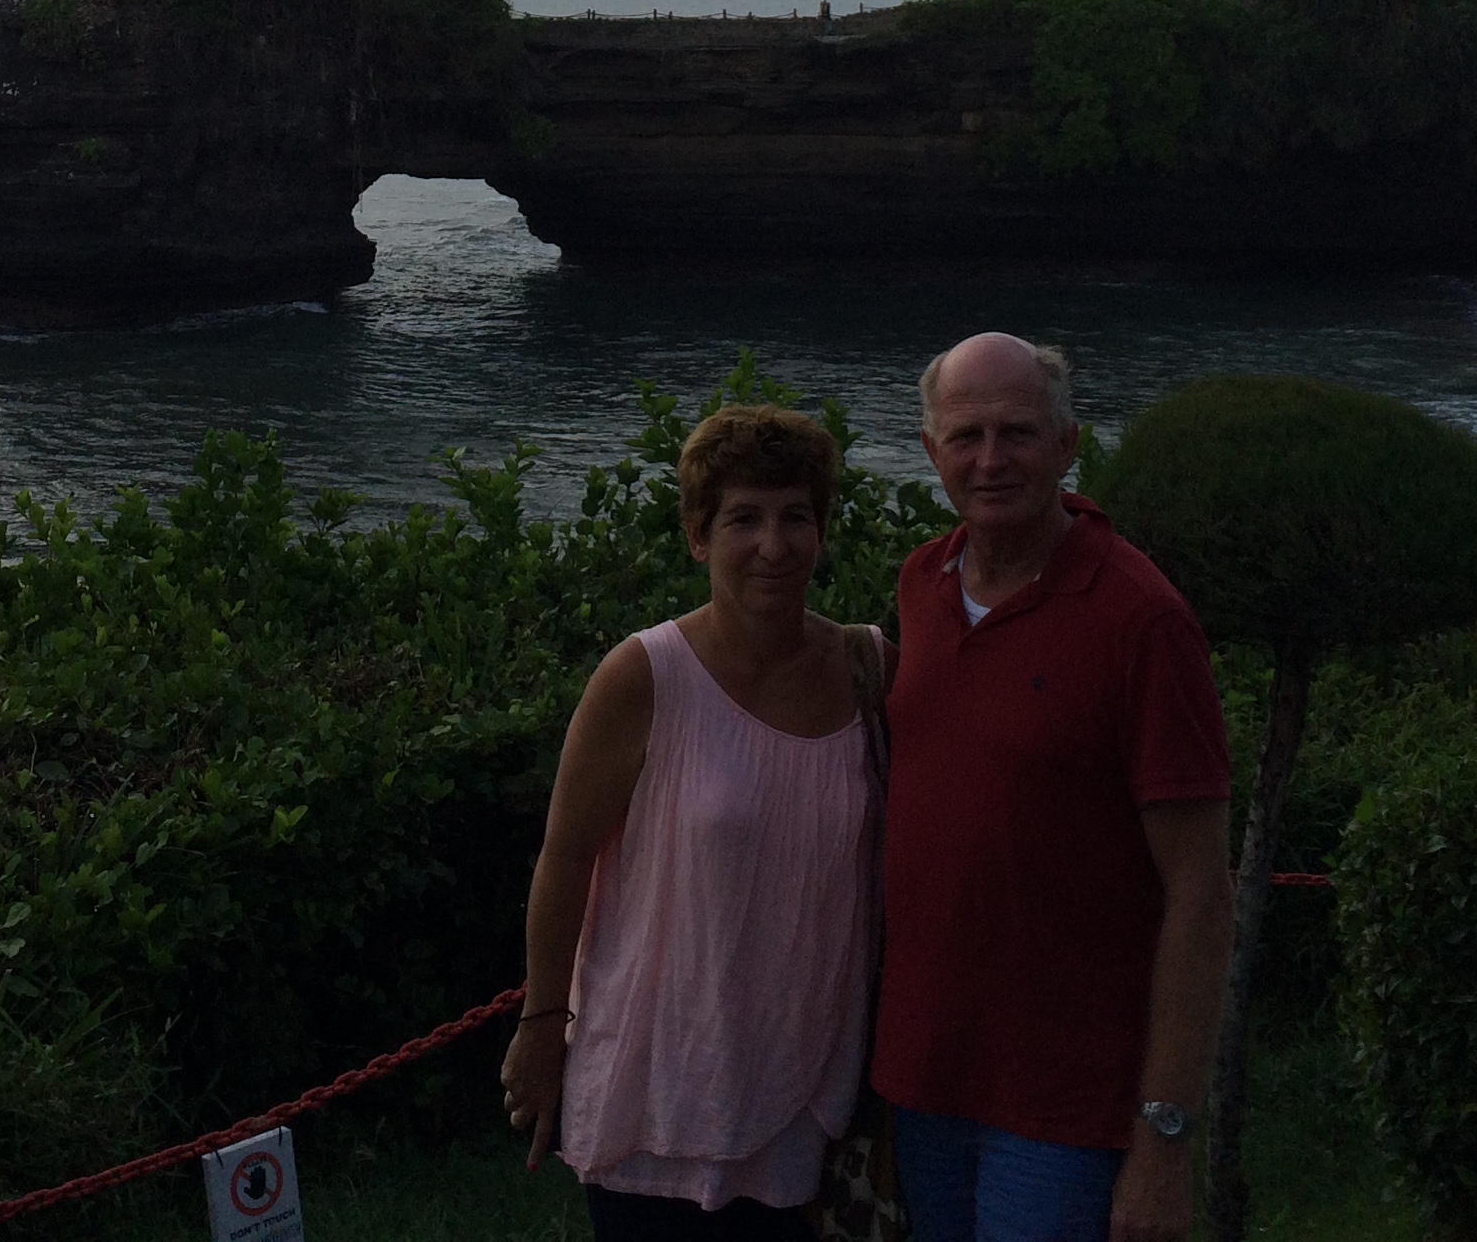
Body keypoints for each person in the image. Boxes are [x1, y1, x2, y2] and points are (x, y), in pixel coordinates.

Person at [874, 334, 1234, 1242]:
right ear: (931, 454)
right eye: (965, 437)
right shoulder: (921, 583)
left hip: (1069, 1109)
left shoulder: (1140, 619)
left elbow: (1200, 892)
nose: (990, 460)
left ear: (1069, 446)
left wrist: (1165, 1138)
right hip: (922, 1084)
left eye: (1017, 433)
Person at [502, 405, 884, 1241]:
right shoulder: (645, 677)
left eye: (796, 518)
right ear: (697, 536)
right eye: (743, 518)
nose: (773, 546)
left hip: (804, 1089)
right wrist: (540, 1027)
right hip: (660, 1087)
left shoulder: (867, 670)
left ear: (822, 533)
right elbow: (563, 862)